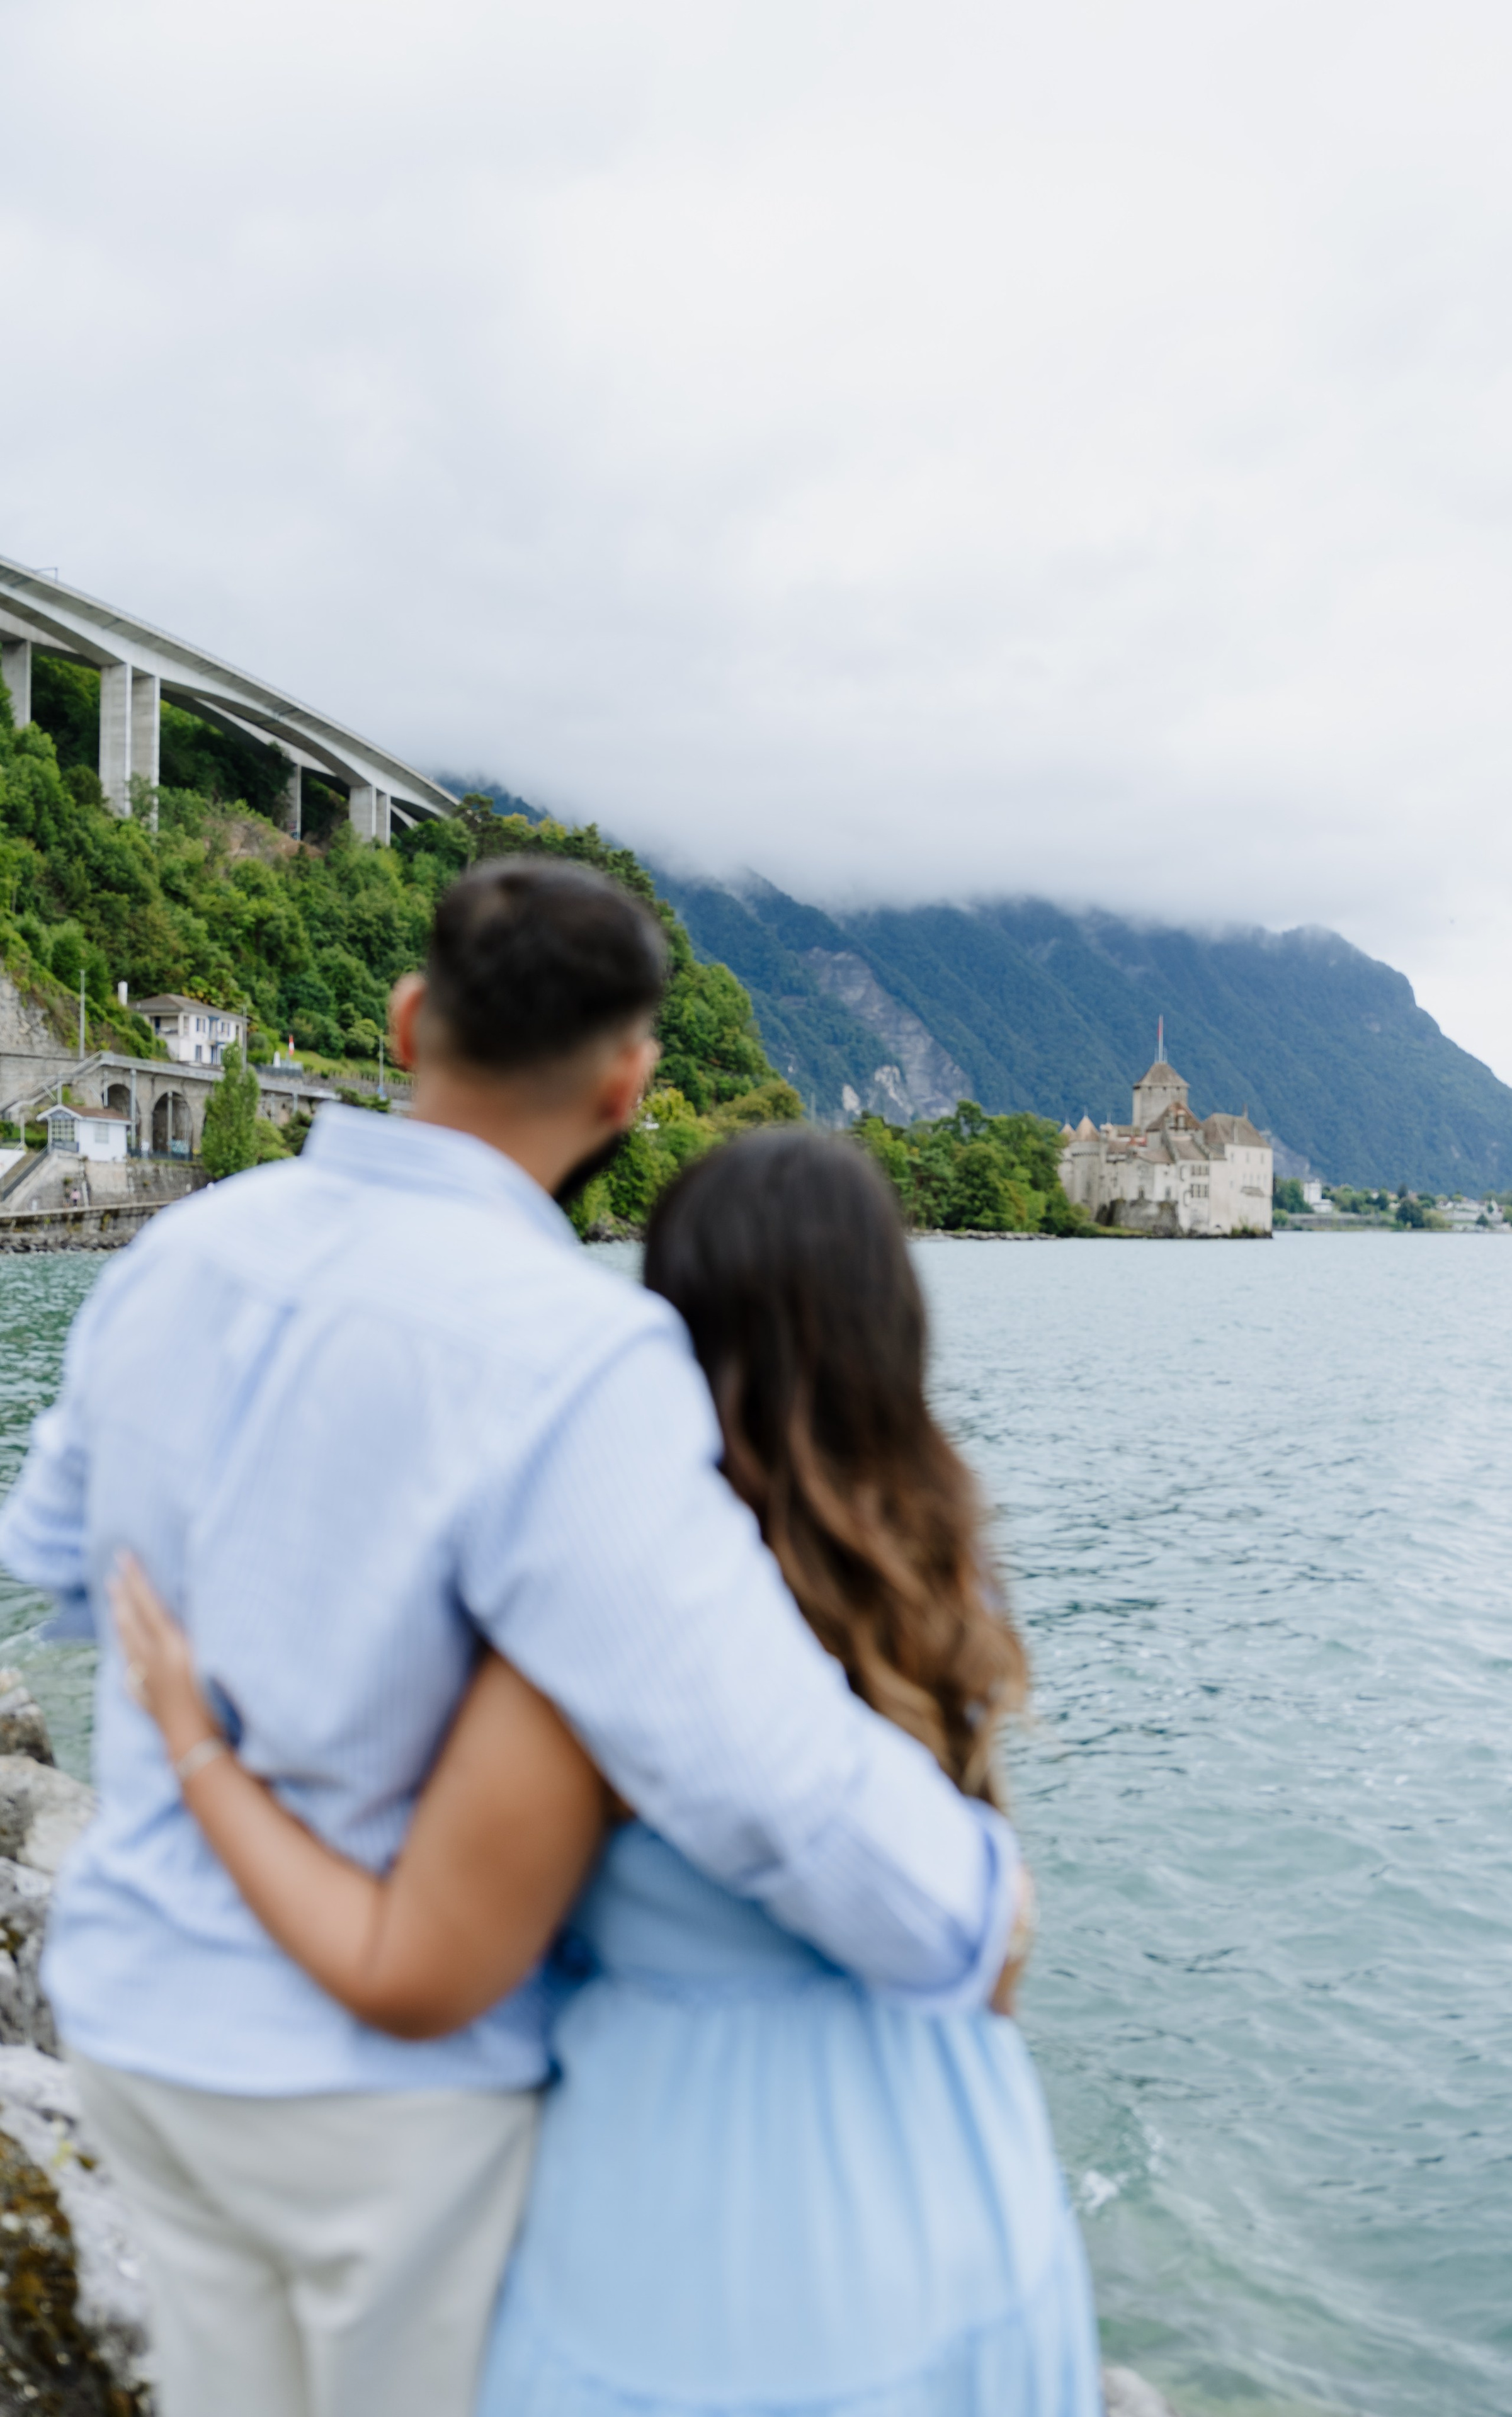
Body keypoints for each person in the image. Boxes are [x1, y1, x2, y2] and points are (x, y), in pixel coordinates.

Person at [0, 861, 1023, 2417]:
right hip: (371, 2097)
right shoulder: (581, 1355)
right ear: (628, 1080)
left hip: (140, 2015)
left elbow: (54, 1553)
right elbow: (745, 1751)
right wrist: (965, 1902)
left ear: (409, 1019)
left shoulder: (178, 1257)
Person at [111, 1125, 1103, 2416]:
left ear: (668, 1335)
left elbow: (405, 1969)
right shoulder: (930, 1585)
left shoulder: (609, 1651)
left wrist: (194, 1746)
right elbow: (991, 1949)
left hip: (703, 2271)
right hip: (974, 2217)